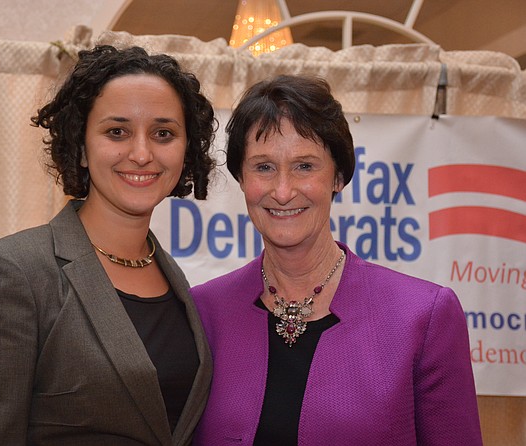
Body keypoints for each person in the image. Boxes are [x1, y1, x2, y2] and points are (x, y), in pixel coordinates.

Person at [0, 44, 216, 446]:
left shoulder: (177, 281)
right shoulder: (14, 272)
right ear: (81, 147)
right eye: (116, 131)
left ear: (185, 150)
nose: (141, 153)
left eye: (163, 134)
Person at [190, 74, 482, 445]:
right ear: (242, 179)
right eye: (263, 167)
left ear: (338, 176)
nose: (282, 191)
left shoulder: (423, 317)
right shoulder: (204, 312)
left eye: (305, 166)